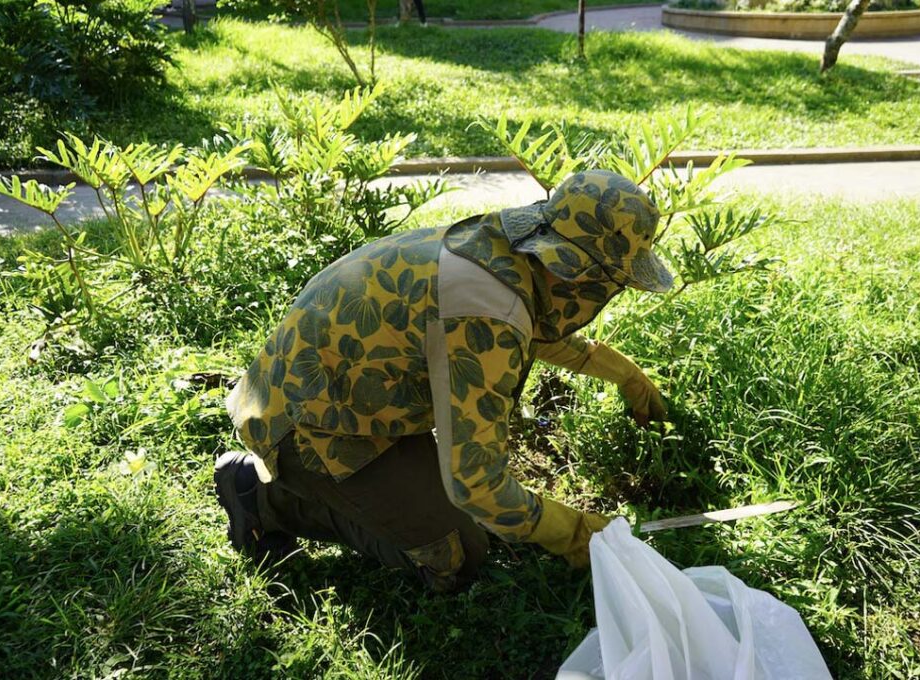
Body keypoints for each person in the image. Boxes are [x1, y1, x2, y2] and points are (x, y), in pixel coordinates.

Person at [215, 170, 673, 592]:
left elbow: (529, 328)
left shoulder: (503, 254)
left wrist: (626, 376)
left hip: (340, 395)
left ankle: (310, 490)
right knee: (456, 556)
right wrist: (571, 532)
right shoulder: (484, 316)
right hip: (310, 423)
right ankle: (261, 497)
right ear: (580, 275)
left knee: (470, 522)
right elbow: (476, 483)